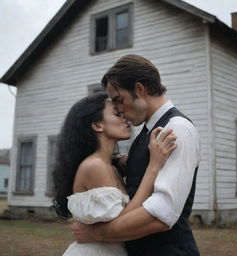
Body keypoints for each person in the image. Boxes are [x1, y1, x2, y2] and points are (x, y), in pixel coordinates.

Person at [72, 54, 201, 256]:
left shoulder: (176, 129)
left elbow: (161, 214)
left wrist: (97, 234)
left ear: (139, 89)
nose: (120, 110)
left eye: (119, 100)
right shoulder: (144, 134)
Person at [52, 92, 177, 256]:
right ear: (97, 125)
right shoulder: (94, 166)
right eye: (117, 114)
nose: (125, 118)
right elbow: (124, 219)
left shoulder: (109, 165)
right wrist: (154, 165)